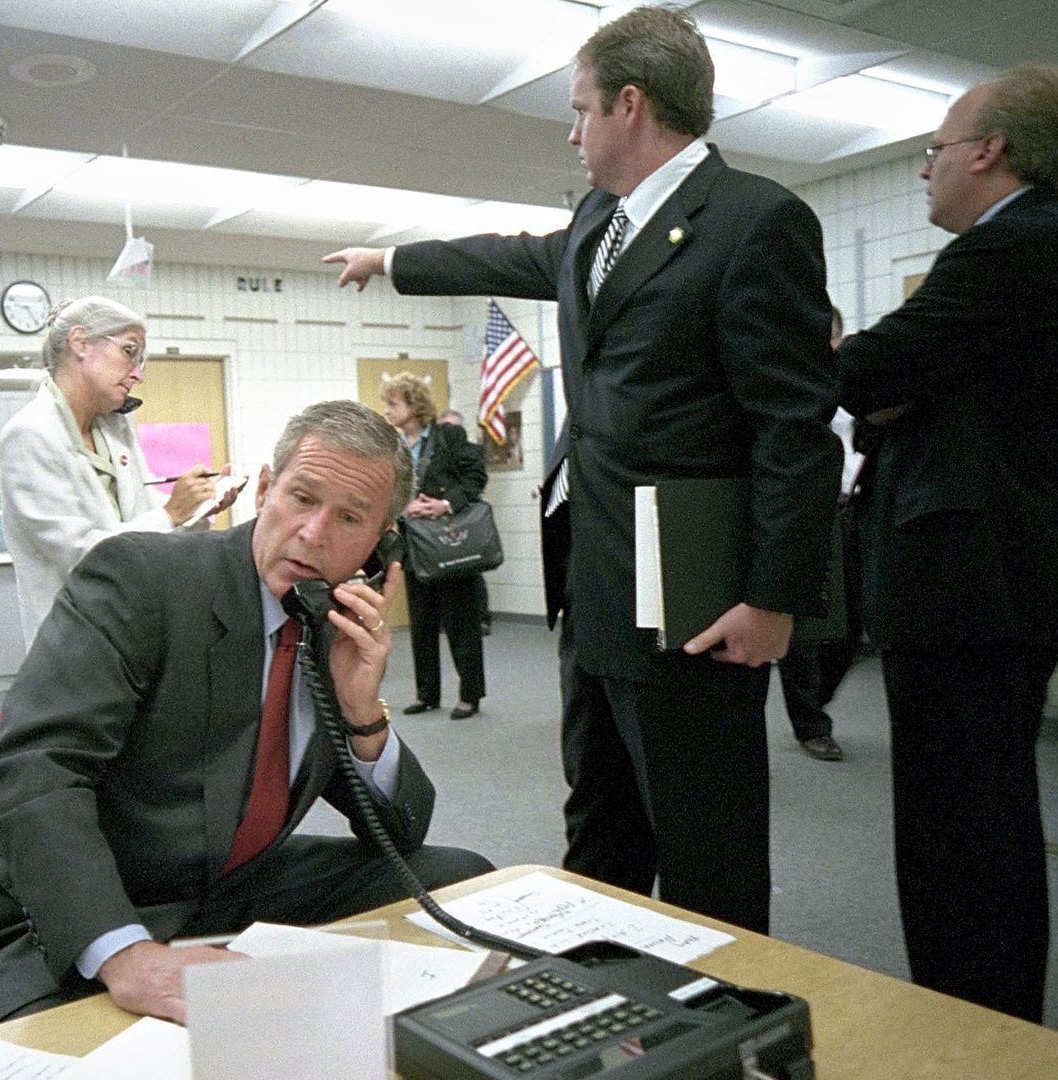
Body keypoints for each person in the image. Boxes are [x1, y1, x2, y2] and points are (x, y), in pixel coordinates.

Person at [324, 5, 838, 933]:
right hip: (596, 576)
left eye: (580, 110)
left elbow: (794, 431)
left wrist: (776, 598)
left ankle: (727, 1010)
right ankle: (600, 988)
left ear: (629, 105)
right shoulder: (601, 219)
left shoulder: (757, 221)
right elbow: (517, 256)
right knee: (599, 821)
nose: (572, 133)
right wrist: (393, 259)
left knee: (706, 840)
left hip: (691, 593)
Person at [0, 400, 493, 1027]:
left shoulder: (333, 622)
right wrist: (125, 954)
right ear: (264, 490)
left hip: (232, 886)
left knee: (459, 879)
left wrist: (360, 711)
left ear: (382, 545)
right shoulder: (140, 578)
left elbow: (398, 835)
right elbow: (36, 772)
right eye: (301, 498)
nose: (314, 533)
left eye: (349, 517)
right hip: (85, 907)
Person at [837, 64, 1058, 1024]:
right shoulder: (1035, 248)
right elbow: (902, 389)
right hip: (983, 586)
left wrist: (859, 372)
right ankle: (973, 1018)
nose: (926, 168)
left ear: (989, 151)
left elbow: (870, 373)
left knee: (964, 833)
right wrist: (894, 391)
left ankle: (978, 1028)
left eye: (936, 149)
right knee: (968, 822)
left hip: (970, 591)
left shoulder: (1013, 245)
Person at [0, 296, 239, 649]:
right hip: (76, 641)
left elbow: (146, 518)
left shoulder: (115, 428)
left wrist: (199, 508)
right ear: (80, 343)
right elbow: (81, 555)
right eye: (129, 351)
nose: (138, 374)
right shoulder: (30, 434)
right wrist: (171, 513)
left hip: (134, 628)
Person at [774, 307, 862, 761]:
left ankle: (814, 698)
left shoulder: (857, 382)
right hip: (811, 512)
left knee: (851, 627)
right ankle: (810, 723)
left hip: (856, 510)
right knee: (805, 629)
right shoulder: (792, 387)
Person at [383, 376, 488, 719]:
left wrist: (445, 504)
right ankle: (427, 693)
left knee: (461, 623)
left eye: (393, 404)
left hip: (450, 541)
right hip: (415, 544)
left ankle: (470, 695)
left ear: (414, 405)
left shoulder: (448, 436)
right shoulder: (394, 446)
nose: (387, 411)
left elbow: (476, 477)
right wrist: (401, 508)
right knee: (422, 623)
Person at [437, 408, 493, 636]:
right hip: (440, 520)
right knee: (443, 570)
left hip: (466, 515)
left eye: (455, 427)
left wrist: (451, 501)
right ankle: (447, 620)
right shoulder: (435, 453)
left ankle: (481, 619)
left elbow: (475, 482)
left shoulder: (471, 452)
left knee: (472, 569)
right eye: (446, 427)